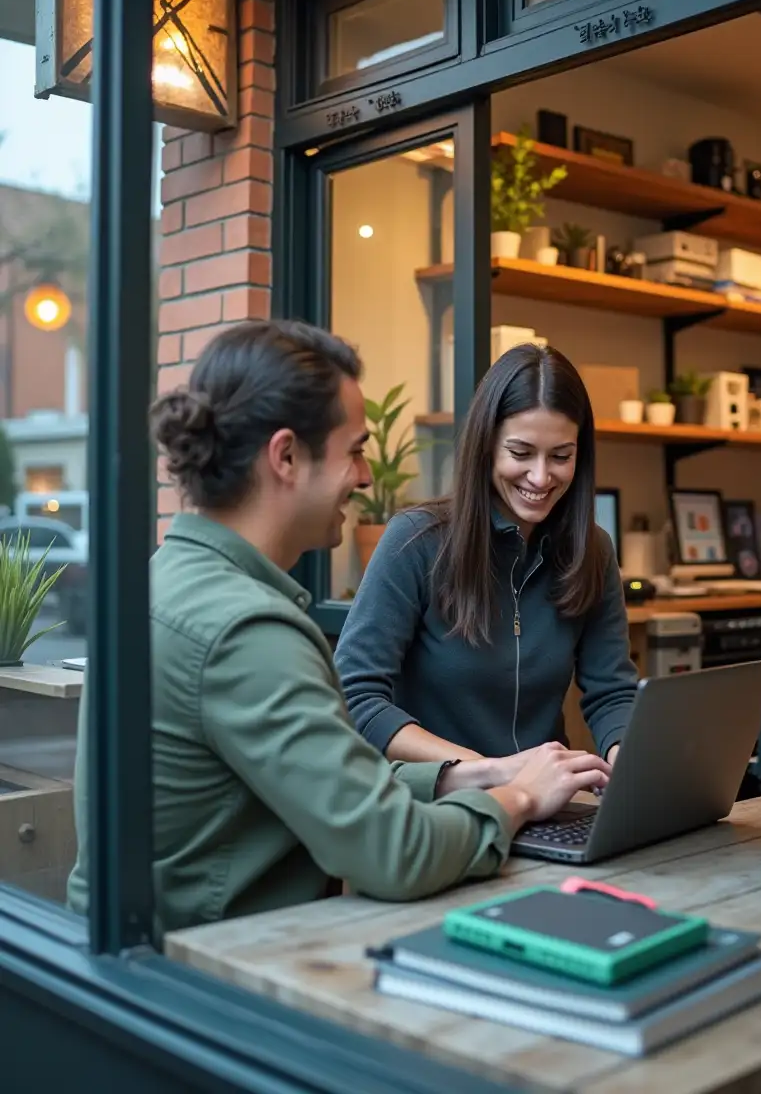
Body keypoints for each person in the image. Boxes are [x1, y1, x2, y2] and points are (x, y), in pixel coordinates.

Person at [65, 321, 609, 936]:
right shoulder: (247, 632)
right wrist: (522, 799)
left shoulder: (162, 583)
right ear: (287, 456)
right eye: (355, 450)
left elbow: (329, 778)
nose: (366, 477)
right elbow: (396, 851)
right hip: (207, 977)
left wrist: (479, 774)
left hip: (142, 959)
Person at [337, 343, 638, 769]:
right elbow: (356, 698)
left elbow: (613, 692)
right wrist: (489, 772)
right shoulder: (415, 541)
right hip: (436, 808)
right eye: (520, 453)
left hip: (545, 808)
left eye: (560, 457)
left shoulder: (593, 551)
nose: (540, 476)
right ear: (487, 445)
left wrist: (627, 765)